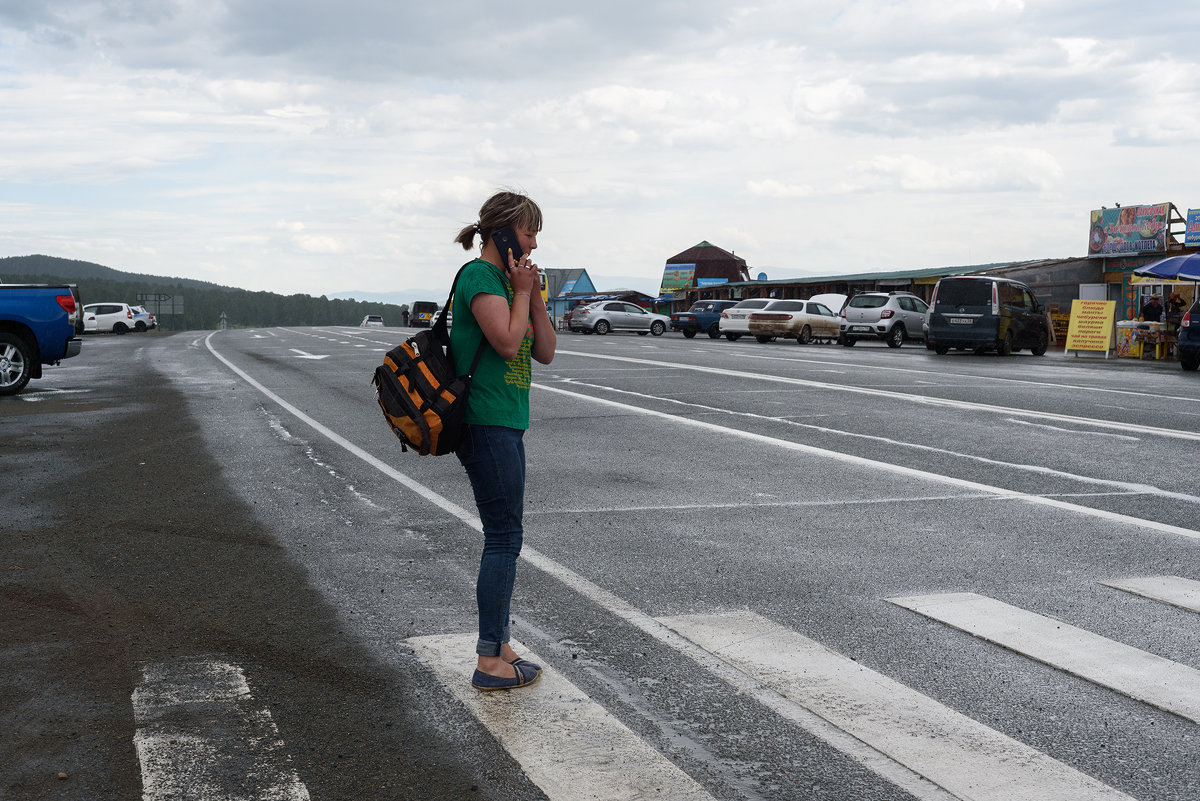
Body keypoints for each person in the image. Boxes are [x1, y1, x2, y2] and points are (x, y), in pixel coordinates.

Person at [450, 191, 556, 691]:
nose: (534, 242)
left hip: (509, 421)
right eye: (529, 231)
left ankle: (499, 644)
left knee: (507, 536)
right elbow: (509, 343)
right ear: (504, 231)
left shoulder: (513, 281)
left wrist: (531, 292)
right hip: (485, 422)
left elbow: (547, 352)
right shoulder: (478, 278)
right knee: (503, 538)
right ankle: (488, 660)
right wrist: (518, 291)